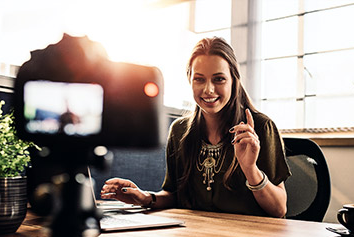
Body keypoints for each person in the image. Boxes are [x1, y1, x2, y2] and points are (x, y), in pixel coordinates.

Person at [101, 37, 291, 218]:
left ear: (234, 80)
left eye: (219, 79)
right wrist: (145, 198)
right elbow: (175, 195)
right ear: (189, 80)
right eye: (199, 79)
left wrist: (250, 169)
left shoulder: (259, 128)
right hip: (196, 236)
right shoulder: (179, 131)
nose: (208, 89)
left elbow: (279, 209)